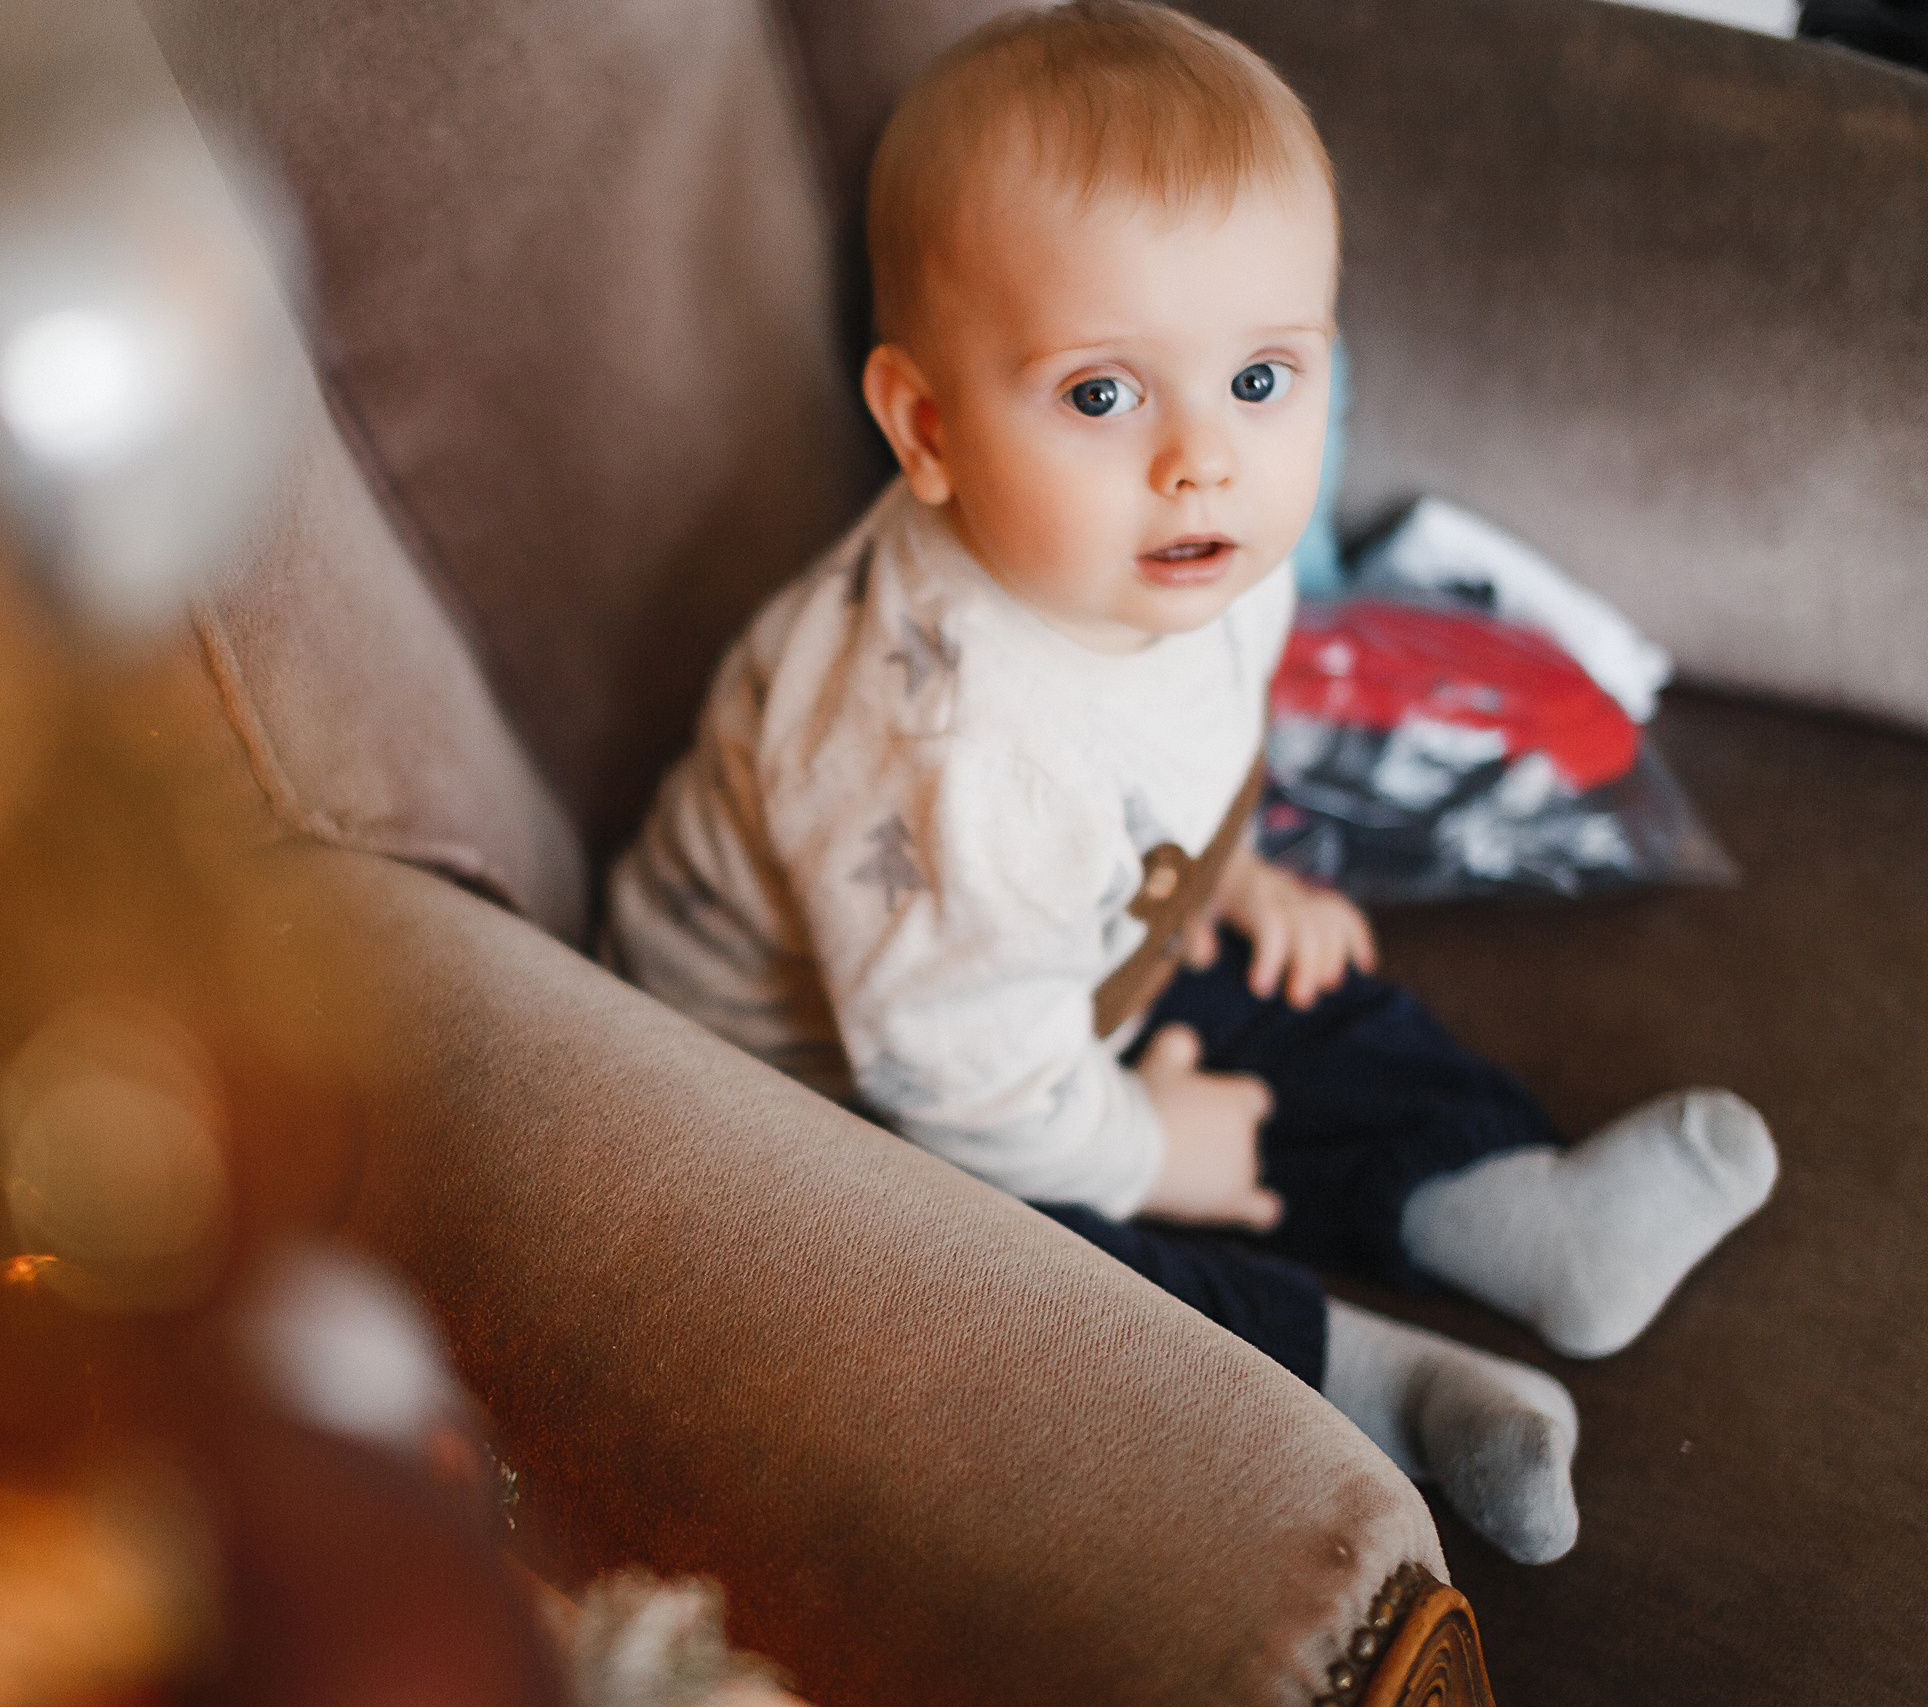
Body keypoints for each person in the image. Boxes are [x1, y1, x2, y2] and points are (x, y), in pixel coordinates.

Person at [602, 0, 1776, 1566]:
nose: (1203, 458)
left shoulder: (1192, 552)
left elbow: (1161, 775)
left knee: (1310, 1001)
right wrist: (1154, 1149)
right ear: (927, 428)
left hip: (1033, 959)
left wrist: (1224, 878)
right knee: (1048, 1279)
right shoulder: (963, 764)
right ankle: (1394, 1393)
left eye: (1263, 378)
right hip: (828, 1095)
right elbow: (961, 1083)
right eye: (1103, 394)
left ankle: (1523, 1210)